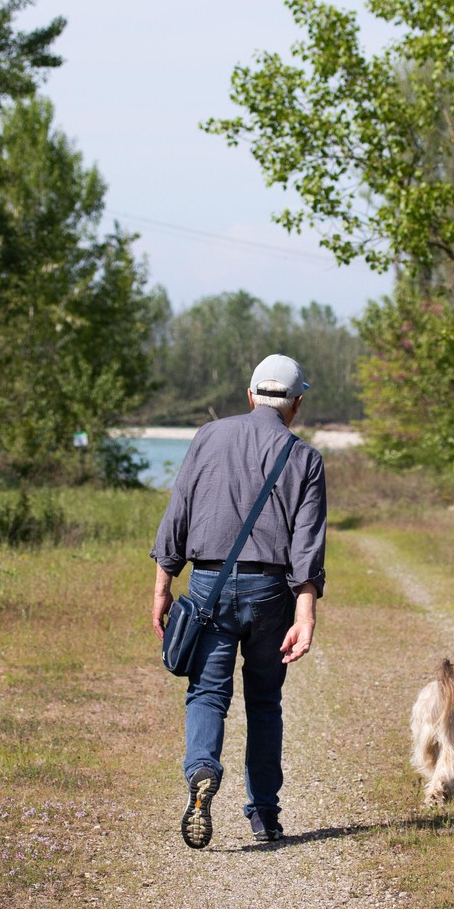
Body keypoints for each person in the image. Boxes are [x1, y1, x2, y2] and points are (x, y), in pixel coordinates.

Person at [151, 354, 327, 849]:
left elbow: (178, 510)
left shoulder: (208, 436)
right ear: (296, 405)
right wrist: (305, 613)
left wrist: (163, 585)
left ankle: (203, 767)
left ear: (250, 396)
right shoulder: (305, 458)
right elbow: (307, 546)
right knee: (265, 702)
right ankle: (265, 816)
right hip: (271, 593)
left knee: (207, 694)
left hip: (208, 585)